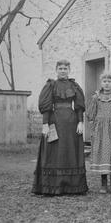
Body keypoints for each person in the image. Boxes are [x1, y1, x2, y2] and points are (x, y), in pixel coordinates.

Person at [32, 59, 88, 195]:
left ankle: (73, 187)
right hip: (54, 121)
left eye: (65, 68)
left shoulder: (74, 86)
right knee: (54, 152)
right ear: (56, 70)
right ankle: (51, 187)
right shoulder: (51, 85)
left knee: (71, 151)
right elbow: (46, 107)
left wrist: (80, 122)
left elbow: (79, 106)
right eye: (60, 68)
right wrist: (45, 124)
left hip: (71, 122)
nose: (63, 70)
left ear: (69, 70)